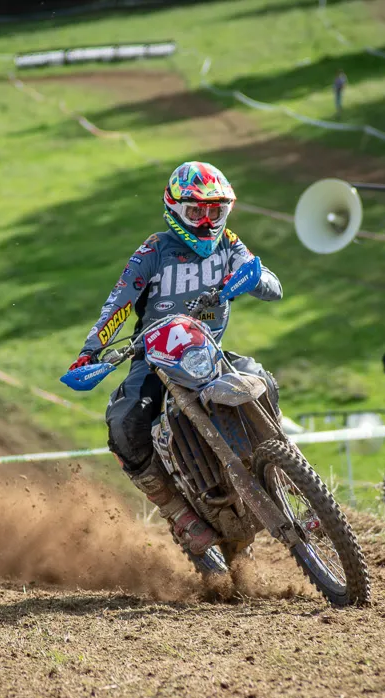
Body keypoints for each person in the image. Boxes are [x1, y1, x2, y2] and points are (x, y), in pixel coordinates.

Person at [67, 162, 283, 555]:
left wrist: (253, 279)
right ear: (175, 209)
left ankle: (281, 467)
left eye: (216, 211)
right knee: (124, 422)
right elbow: (118, 303)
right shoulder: (153, 251)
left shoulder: (229, 244)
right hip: (155, 359)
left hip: (208, 351)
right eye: (197, 211)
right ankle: (176, 511)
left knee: (261, 379)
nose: (207, 222)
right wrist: (90, 351)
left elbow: (272, 283)